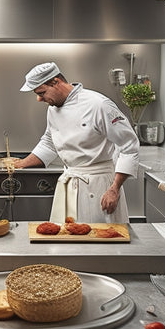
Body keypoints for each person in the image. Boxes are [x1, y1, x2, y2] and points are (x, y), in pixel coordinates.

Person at [17, 61, 140, 223]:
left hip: (99, 186)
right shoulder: (53, 108)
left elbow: (129, 146)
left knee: (101, 240)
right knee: (67, 239)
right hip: (70, 182)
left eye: (41, 92)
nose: (39, 99)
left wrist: (114, 189)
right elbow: (49, 142)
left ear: (56, 82)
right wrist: (21, 164)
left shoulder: (98, 105)